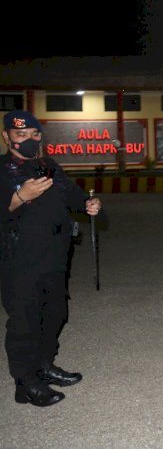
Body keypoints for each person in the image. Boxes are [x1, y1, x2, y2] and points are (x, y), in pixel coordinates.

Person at [0, 110, 103, 407]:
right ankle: (26, 383)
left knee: (55, 313)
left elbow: (70, 194)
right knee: (24, 322)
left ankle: (44, 365)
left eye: (35, 135)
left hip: (55, 257)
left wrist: (88, 203)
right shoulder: (2, 170)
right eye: (22, 135)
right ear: (7, 137)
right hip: (19, 260)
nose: (30, 141)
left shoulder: (49, 165)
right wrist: (20, 197)